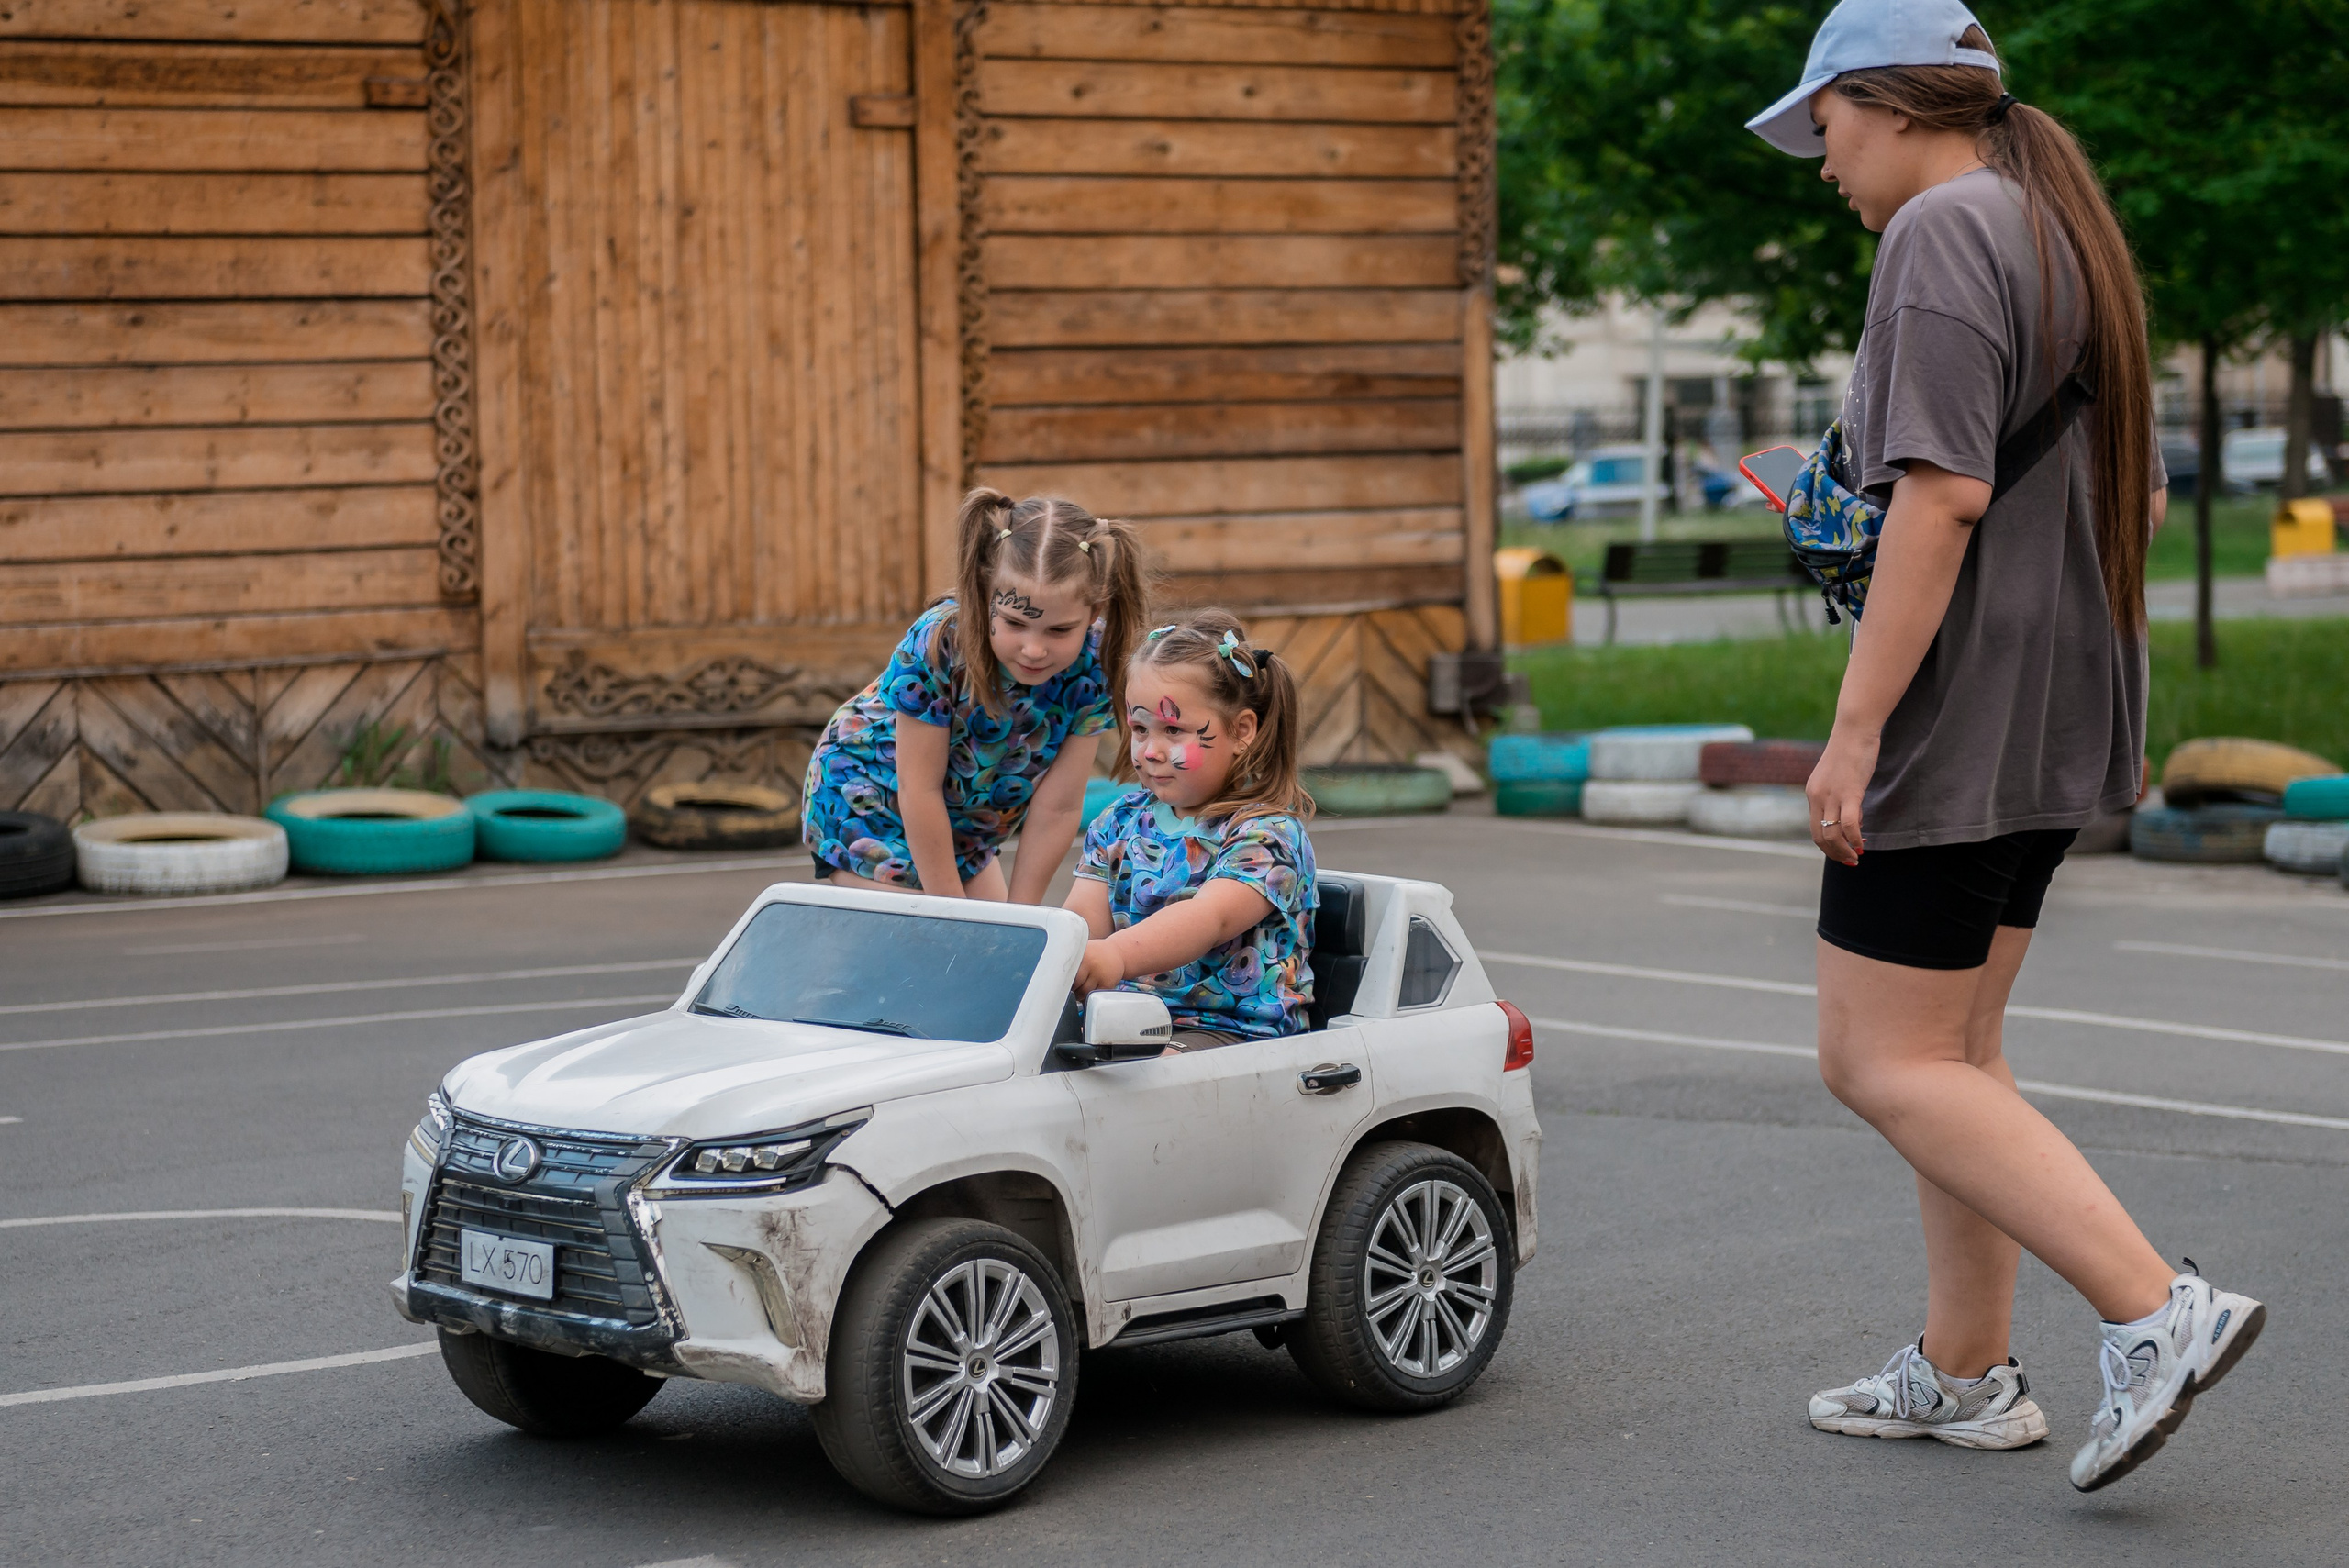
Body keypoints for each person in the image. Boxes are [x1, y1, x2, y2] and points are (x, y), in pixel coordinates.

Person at [1742, 0, 2264, 1492]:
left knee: (1876, 1055)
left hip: (1957, 712)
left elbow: (1945, 499)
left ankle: (2157, 1308)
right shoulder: (2058, 224)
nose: (1823, 162)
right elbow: (2138, 497)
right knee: (1953, 1051)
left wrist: (1851, 734)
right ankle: (1967, 1369)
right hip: (2064, 699)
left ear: (1884, 99)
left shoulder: (1941, 234)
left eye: (1824, 127)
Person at [802, 488, 1147, 902]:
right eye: (1016, 623)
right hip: (867, 797)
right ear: (986, 598)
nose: (1034, 649)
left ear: (1093, 614)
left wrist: (1022, 919)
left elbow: (1056, 809)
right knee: (932, 939)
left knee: (999, 950)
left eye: (1059, 630)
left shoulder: (1095, 664)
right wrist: (954, 913)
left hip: (966, 827)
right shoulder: (940, 642)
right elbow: (920, 788)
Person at [1066, 612, 1316, 1051]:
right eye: (1140, 729)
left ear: (1241, 731)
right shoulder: (1119, 821)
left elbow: (1207, 919)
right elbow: (1082, 923)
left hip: (1231, 1032)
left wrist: (1116, 956)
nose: (1150, 750)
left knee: (1135, 1080)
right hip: (1124, 1019)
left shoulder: (1266, 836)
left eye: (1173, 730)